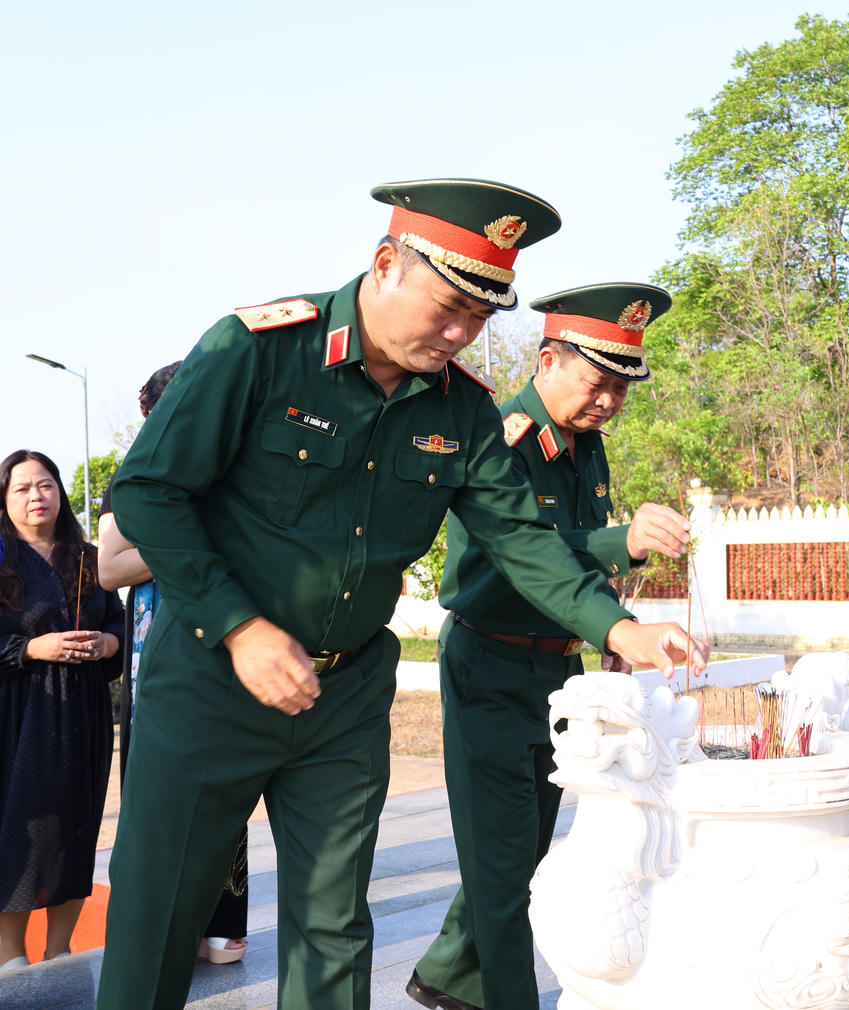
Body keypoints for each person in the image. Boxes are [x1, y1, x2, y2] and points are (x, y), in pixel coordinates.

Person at [96, 178, 706, 1010]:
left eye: (481, 320)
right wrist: (240, 628)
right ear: (386, 264)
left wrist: (620, 625)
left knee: (334, 926)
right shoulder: (258, 349)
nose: (459, 334)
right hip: (210, 678)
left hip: (344, 693)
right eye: (448, 307)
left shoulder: (464, 410)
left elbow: (519, 539)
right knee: (159, 913)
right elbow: (148, 493)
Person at [408, 282, 692, 1010]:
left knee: (523, 852)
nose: (607, 402)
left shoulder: (584, 446)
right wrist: (618, 542)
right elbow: (509, 563)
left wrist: (609, 635)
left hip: (555, 669)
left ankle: (446, 975)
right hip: (490, 666)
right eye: (597, 383)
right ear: (548, 361)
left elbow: (573, 571)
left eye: (620, 391)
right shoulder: (498, 438)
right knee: (506, 875)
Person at [98, 361, 250, 966]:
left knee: (228, 788)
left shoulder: (237, 474)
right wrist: (186, 543)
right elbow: (111, 569)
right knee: (157, 798)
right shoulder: (132, 480)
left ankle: (223, 922)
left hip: (228, 649)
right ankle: (159, 931)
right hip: (155, 655)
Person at [0, 450, 123, 972]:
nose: (36, 496)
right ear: (5, 500)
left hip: (84, 714)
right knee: (18, 830)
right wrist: (32, 649)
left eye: (45, 485)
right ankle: (9, 958)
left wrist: (107, 646)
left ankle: (60, 949)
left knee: (78, 826)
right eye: (22, 488)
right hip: (19, 715)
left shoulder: (90, 558)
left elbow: (122, 624)